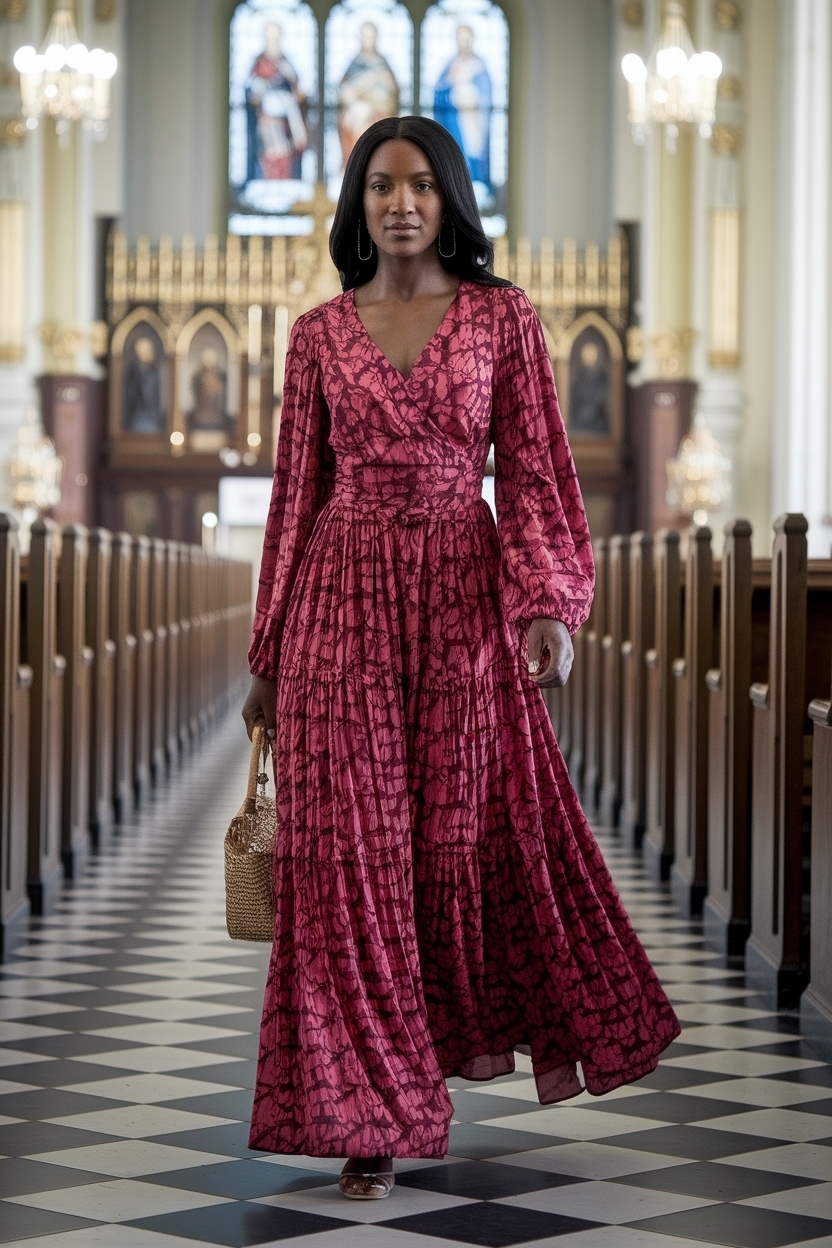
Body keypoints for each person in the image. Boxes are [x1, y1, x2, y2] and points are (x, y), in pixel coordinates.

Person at [242, 115, 680, 1201]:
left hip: (460, 604)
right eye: (382, 186)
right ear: (357, 203)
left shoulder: (502, 318)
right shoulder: (316, 335)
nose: (401, 203)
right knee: (352, 859)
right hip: (339, 608)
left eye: (422, 187)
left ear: (449, 202)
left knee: (450, 845)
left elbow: (536, 470)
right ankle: (370, 1117)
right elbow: (294, 501)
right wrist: (268, 652)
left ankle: (419, 1062)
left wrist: (547, 605)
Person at [433, 25, 492, 197]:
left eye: (467, 39)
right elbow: (439, 91)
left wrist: (472, 95)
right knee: (457, 150)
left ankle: (475, 188)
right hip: (454, 118)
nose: (464, 42)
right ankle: (454, 188)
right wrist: (451, 87)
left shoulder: (479, 66)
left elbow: (486, 93)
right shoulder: (450, 66)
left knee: (473, 149)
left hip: (473, 118)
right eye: (460, 38)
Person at [246, 21, 307, 182]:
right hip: (267, 120)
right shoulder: (258, 64)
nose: (273, 40)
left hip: (286, 121)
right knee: (270, 153)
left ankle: (285, 182)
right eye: (269, 36)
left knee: (285, 152)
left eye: (276, 36)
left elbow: (298, 90)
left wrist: (295, 98)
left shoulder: (287, 64)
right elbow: (251, 93)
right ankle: (267, 183)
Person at [337, 22, 399, 170]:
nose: (368, 40)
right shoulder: (354, 64)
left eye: (371, 36)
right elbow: (345, 93)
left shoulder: (383, 63)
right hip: (357, 121)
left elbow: (393, 92)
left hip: (379, 116)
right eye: (365, 36)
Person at [124, 335, 164, 434]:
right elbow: (129, 391)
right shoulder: (133, 370)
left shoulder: (155, 370)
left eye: (145, 350)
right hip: (137, 412)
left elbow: (157, 391)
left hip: (152, 411)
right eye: (140, 351)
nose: (142, 353)